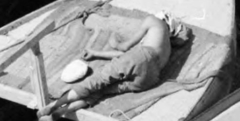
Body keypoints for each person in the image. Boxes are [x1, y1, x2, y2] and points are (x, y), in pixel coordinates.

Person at [60, 11, 189, 104]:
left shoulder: (154, 22)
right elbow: (129, 57)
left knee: (98, 80)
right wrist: (96, 53)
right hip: (150, 78)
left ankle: (56, 107)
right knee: (103, 91)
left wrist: (114, 43)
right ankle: (68, 109)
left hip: (142, 58)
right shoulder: (166, 47)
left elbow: (125, 49)